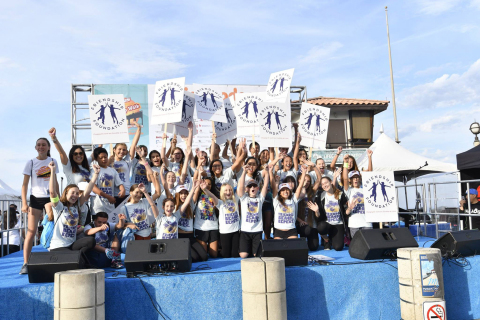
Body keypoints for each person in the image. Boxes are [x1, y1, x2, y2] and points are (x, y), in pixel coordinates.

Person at [20, 137, 60, 274]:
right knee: (31, 232)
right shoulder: (31, 162)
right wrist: (24, 203)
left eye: (44, 145)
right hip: (35, 198)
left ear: (49, 147)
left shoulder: (53, 161)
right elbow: (25, 184)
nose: (41, 147)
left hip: (50, 197)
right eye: (39, 145)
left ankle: (56, 258)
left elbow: (55, 182)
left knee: (55, 229)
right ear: (36, 147)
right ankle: (26, 263)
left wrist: (59, 200)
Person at [46, 161, 98, 258]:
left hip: (71, 245)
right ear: (66, 194)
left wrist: (96, 174)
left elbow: (87, 191)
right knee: (72, 257)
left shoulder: (76, 206)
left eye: (77, 193)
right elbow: (52, 192)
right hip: (59, 246)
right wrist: (52, 171)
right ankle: (77, 258)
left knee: (90, 241)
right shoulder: (59, 207)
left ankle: (77, 257)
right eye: (72, 193)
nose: (75, 195)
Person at [237, 164, 269, 258]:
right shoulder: (243, 198)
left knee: (256, 255)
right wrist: (243, 172)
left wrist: (267, 172)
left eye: (254, 186)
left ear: (257, 188)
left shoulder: (260, 199)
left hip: (257, 231)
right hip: (245, 231)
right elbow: (241, 186)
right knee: (243, 255)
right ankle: (248, 248)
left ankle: (252, 249)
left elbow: (266, 185)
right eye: (250, 186)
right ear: (247, 189)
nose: (252, 188)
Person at [111, 120, 142, 206]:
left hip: (127, 193)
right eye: (119, 149)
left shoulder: (127, 161)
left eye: (124, 150)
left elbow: (133, 144)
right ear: (114, 150)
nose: (121, 151)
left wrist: (138, 129)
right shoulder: (109, 161)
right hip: (114, 194)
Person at [314, 176, 349, 251]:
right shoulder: (321, 196)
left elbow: (345, 212)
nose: (324, 185)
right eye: (322, 184)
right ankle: (326, 240)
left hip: (338, 224)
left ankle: (332, 239)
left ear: (331, 182)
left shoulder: (340, 194)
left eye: (326, 183)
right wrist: (316, 211)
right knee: (321, 227)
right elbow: (318, 217)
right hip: (327, 224)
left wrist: (350, 208)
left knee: (338, 247)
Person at [91, 147, 125, 220]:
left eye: (105, 157)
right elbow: (93, 188)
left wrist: (122, 189)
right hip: (98, 207)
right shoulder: (94, 170)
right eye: (101, 158)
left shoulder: (113, 171)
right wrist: (108, 197)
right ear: (96, 159)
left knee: (109, 227)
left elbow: (119, 184)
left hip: (110, 206)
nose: (104, 159)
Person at [296, 164, 322, 250]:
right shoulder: (296, 193)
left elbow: (319, 179)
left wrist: (314, 166)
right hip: (301, 223)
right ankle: (301, 239)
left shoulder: (312, 192)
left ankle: (308, 240)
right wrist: (300, 220)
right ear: (299, 180)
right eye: (304, 180)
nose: (306, 182)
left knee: (314, 247)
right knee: (306, 230)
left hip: (311, 223)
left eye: (308, 181)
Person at [193, 177, 219, 257]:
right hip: (201, 228)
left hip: (213, 227)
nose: (207, 185)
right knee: (203, 254)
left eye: (209, 184)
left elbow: (217, 203)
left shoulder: (214, 195)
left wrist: (206, 190)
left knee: (214, 255)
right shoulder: (198, 196)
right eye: (205, 183)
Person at [342, 170, 372, 238]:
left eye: (357, 177)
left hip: (367, 223)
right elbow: (345, 179)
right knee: (357, 245)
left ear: (360, 179)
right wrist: (346, 163)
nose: (355, 179)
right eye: (353, 178)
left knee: (368, 243)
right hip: (354, 223)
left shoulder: (366, 189)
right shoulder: (349, 190)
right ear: (350, 180)